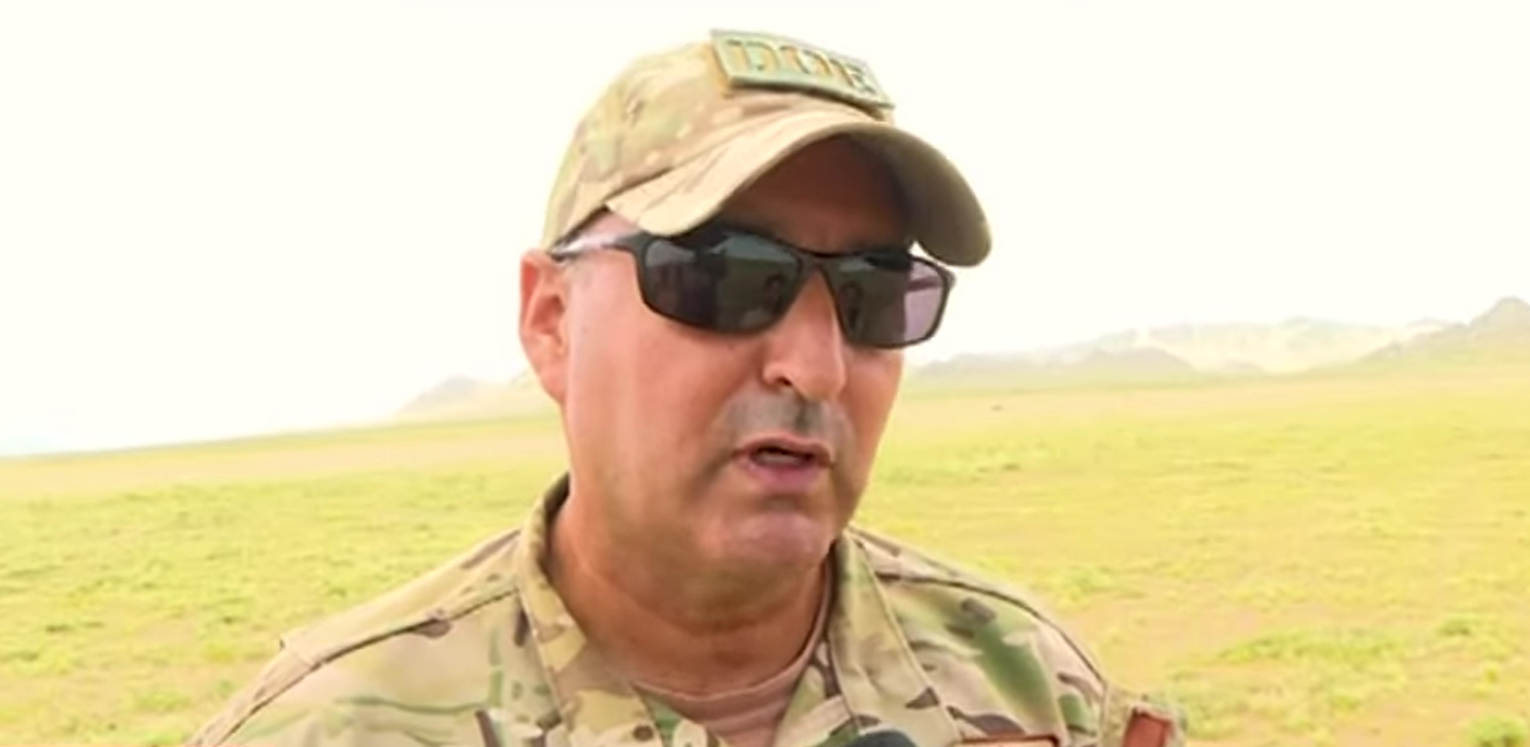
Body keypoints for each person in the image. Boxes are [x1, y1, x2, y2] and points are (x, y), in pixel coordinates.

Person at [189, 28, 1185, 747]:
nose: (816, 366)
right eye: (727, 277)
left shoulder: (1034, 689)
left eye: (876, 295)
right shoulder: (337, 725)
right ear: (552, 320)